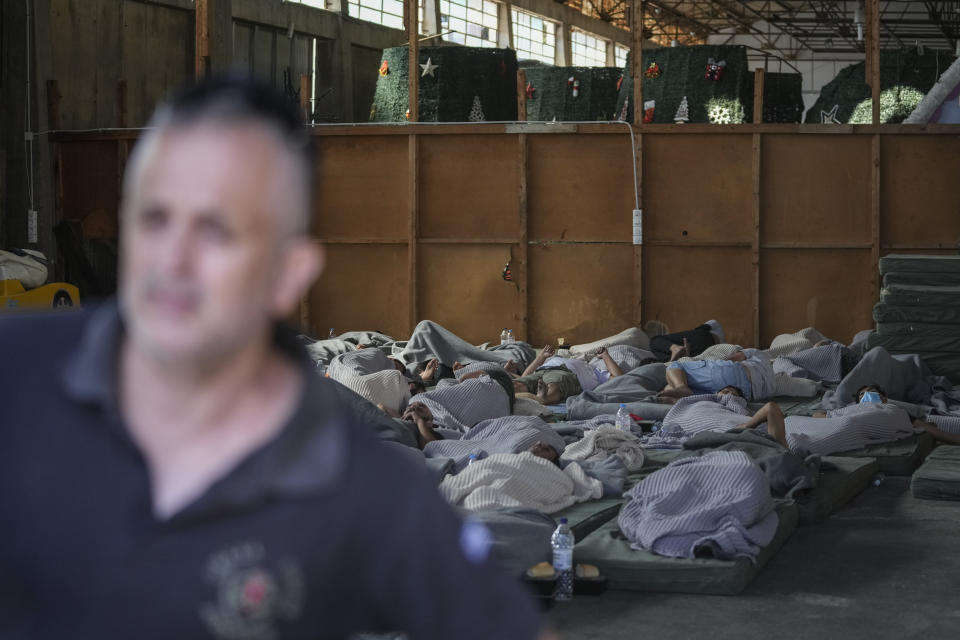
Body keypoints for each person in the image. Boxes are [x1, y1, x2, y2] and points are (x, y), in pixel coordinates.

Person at [0, 76, 550, 640]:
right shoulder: (17, 379)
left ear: (289, 274)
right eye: (156, 218)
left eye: (217, 229)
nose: (174, 259)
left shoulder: (359, 486)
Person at [514, 345, 625, 404]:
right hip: (544, 370)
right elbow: (525, 376)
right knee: (518, 385)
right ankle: (508, 396)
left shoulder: (595, 370)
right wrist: (542, 356)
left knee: (553, 385)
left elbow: (619, 378)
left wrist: (605, 356)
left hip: (566, 374)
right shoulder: (557, 358)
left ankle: (543, 398)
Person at [658, 347, 775, 402]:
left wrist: (717, 363)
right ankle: (677, 396)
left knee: (675, 366)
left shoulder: (760, 354)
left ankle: (680, 387)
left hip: (736, 374)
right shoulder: (773, 385)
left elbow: (733, 359)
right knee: (672, 388)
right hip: (745, 396)